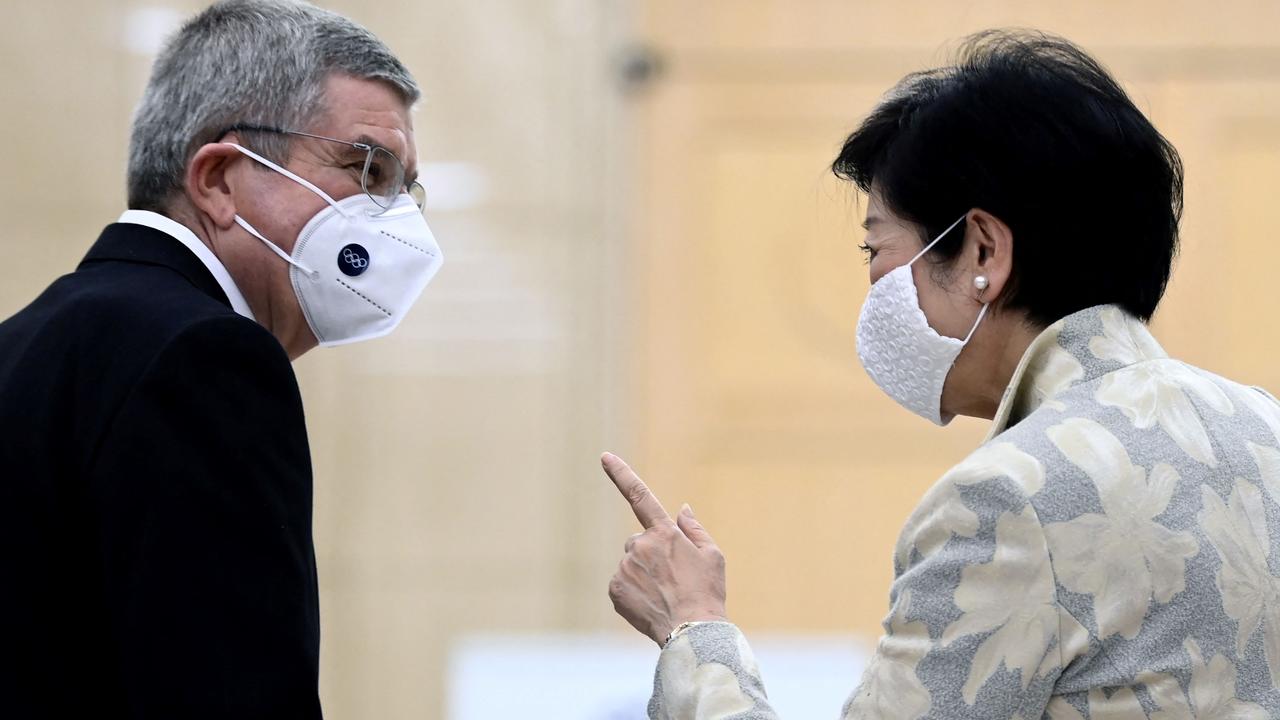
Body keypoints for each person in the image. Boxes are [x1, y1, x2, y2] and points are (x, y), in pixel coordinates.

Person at [602, 30, 1280, 719]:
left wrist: (693, 628)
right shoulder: (1265, 428)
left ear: (983, 249)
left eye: (876, 248)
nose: (870, 282)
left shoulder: (1009, 498)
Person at [0, 1, 441, 717]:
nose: (399, 220)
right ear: (219, 179)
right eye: (366, 169)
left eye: (404, 188)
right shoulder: (207, 359)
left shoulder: (33, 341)